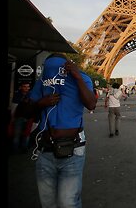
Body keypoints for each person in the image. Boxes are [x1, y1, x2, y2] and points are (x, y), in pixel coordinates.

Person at [29, 53, 96, 208]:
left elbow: (91, 104)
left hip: (73, 147)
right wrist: (41, 103)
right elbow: (26, 111)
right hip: (45, 148)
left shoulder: (82, 78)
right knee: (47, 202)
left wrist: (77, 76)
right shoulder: (43, 82)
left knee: (68, 202)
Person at [9, 81, 33, 153]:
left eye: (27, 86)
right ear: (21, 87)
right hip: (19, 117)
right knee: (17, 135)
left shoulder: (31, 95)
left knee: (27, 134)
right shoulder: (17, 95)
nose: (26, 88)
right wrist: (12, 118)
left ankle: (24, 149)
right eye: (24, 86)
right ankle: (15, 149)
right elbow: (14, 107)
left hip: (29, 118)